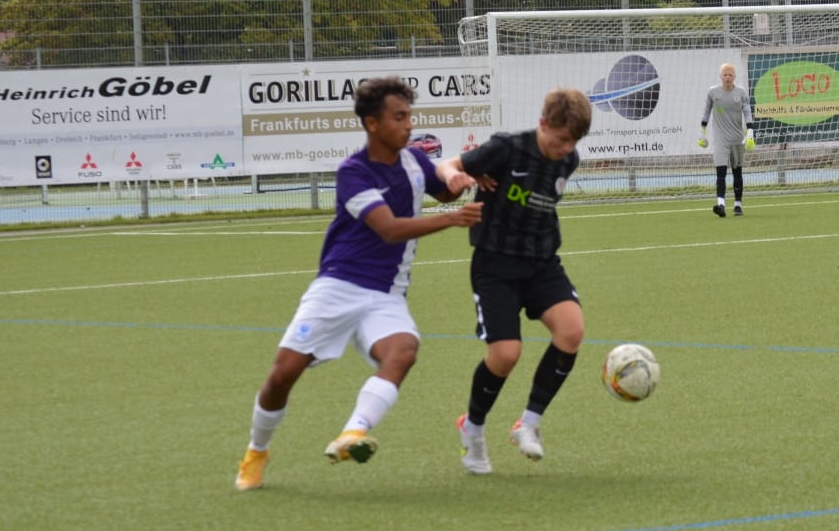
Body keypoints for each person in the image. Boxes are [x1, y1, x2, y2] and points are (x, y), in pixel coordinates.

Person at [235, 77, 482, 491]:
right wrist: (452, 218)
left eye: (409, 116)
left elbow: (442, 190)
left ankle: (353, 432)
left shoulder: (413, 160)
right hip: (338, 286)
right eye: (399, 117)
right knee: (282, 374)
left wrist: (459, 180)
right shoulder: (354, 171)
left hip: (387, 294)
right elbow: (389, 229)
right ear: (372, 123)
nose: (408, 124)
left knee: (403, 351)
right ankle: (256, 452)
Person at [437, 87, 593, 474]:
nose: (565, 149)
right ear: (543, 124)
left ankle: (529, 423)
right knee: (506, 355)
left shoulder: (569, 159)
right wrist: (458, 176)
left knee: (571, 332)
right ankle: (472, 428)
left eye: (573, 142)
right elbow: (447, 165)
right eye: (560, 139)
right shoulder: (506, 148)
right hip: (496, 264)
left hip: (542, 262)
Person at [698, 62, 754, 217]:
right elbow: (706, 112)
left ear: (734, 77)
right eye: (725, 74)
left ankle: (738, 205)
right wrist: (702, 133)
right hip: (720, 140)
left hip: (737, 138)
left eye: (730, 75)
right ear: (720, 76)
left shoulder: (741, 93)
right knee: (720, 172)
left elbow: (747, 112)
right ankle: (721, 205)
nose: (727, 77)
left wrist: (750, 132)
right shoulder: (713, 92)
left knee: (737, 172)